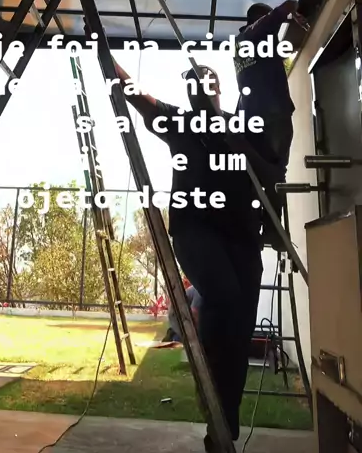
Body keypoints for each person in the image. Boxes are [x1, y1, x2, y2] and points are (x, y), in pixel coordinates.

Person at [110, 56, 275, 451]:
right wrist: (107, 58)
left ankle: (224, 422)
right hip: (195, 233)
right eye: (193, 83)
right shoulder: (180, 122)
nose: (200, 87)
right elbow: (138, 96)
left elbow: (269, 170)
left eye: (206, 81)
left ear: (218, 89)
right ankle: (213, 400)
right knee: (224, 296)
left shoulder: (239, 127)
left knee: (240, 328)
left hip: (242, 239)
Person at [234, 0, 308, 249]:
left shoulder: (239, 45)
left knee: (263, 174)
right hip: (272, 116)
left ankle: (265, 227)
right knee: (276, 172)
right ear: (260, 20)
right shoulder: (258, 32)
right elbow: (287, 5)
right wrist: (292, 12)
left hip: (252, 119)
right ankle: (273, 231)